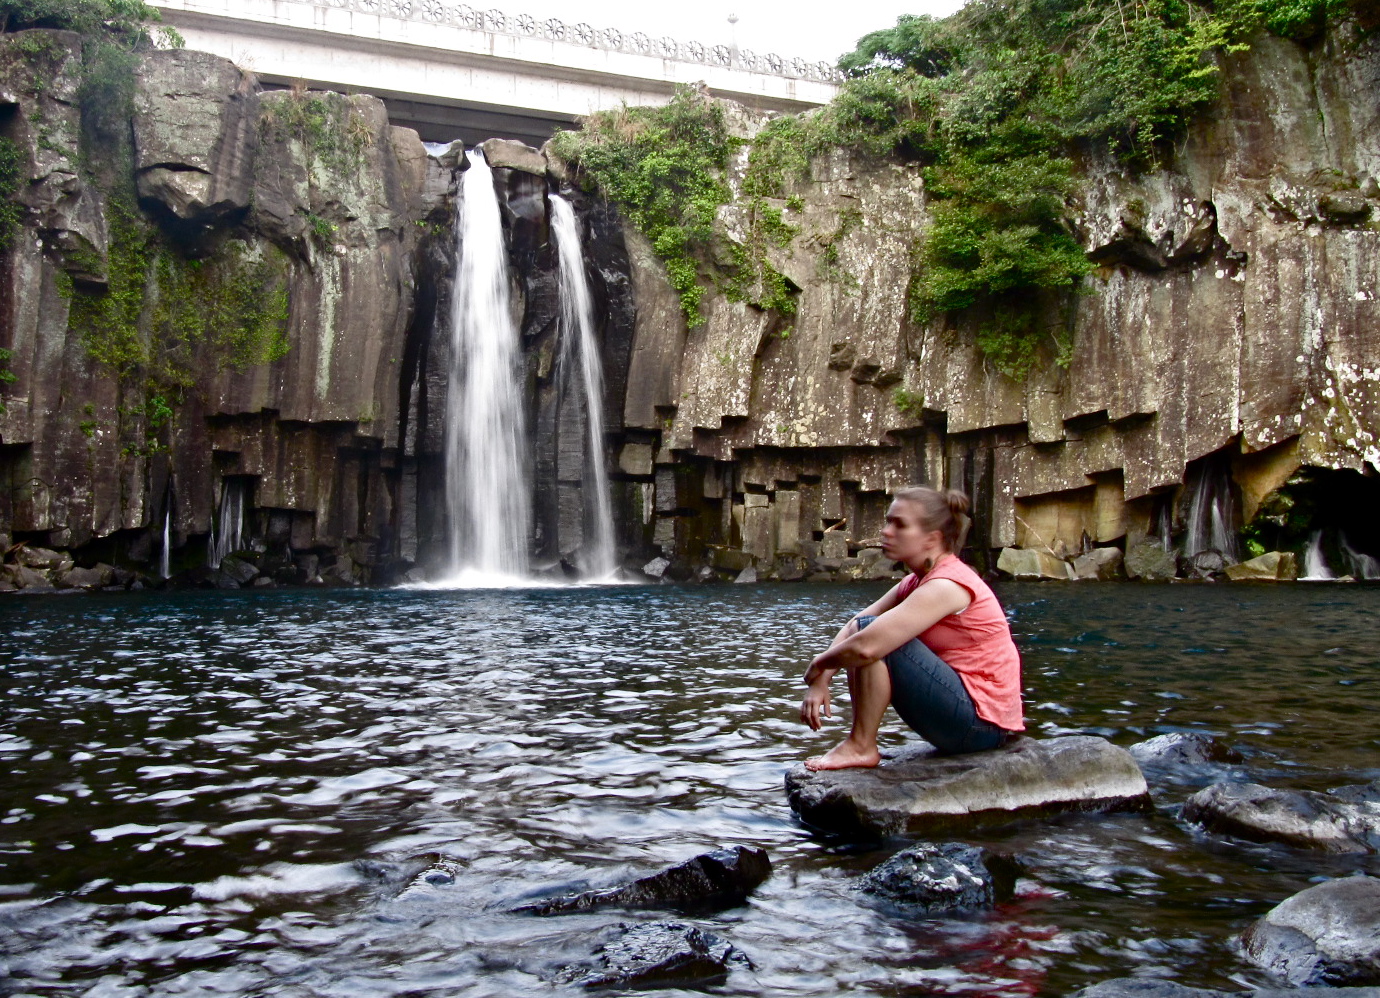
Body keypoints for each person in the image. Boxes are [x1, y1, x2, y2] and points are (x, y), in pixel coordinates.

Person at [799, 486, 1024, 770]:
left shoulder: (948, 585)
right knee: (869, 630)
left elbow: (867, 645)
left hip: (981, 726)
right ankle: (860, 745)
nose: (886, 531)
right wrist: (823, 678)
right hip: (964, 720)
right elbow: (855, 625)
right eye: (888, 521)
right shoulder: (918, 581)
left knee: (876, 638)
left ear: (932, 538)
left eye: (899, 524)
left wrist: (819, 665)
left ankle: (860, 746)